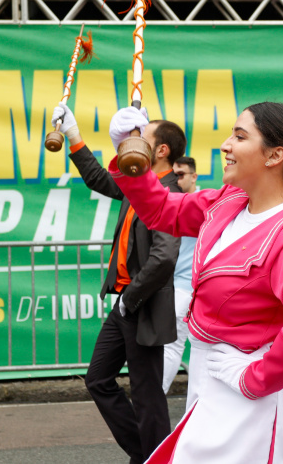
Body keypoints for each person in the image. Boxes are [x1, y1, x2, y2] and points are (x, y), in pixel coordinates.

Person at [105, 101, 283, 463]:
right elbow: (160, 210)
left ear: (274, 155)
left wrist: (256, 378)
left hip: (253, 404)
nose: (225, 145)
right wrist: (127, 148)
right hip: (212, 384)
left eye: (240, 136)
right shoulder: (229, 202)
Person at [51, 102, 184, 464]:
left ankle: (153, 456)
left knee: (146, 394)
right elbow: (99, 178)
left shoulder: (169, 194)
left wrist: (131, 299)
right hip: (125, 303)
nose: (132, 140)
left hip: (143, 304)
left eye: (141, 135)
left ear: (161, 150)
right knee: (98, 379)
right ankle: (148, 454)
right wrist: (74, 136)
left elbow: (163, 258)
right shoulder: (140, 185)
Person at [162, 156, 199, 393]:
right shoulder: (171, 201)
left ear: (194, 176)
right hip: (170, 286)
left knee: (172, 346)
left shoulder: (203, 203)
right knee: (173, 345)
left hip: (186, 287)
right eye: (173, 174)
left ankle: (156, 397)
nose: (176, 179)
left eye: (181, 174)